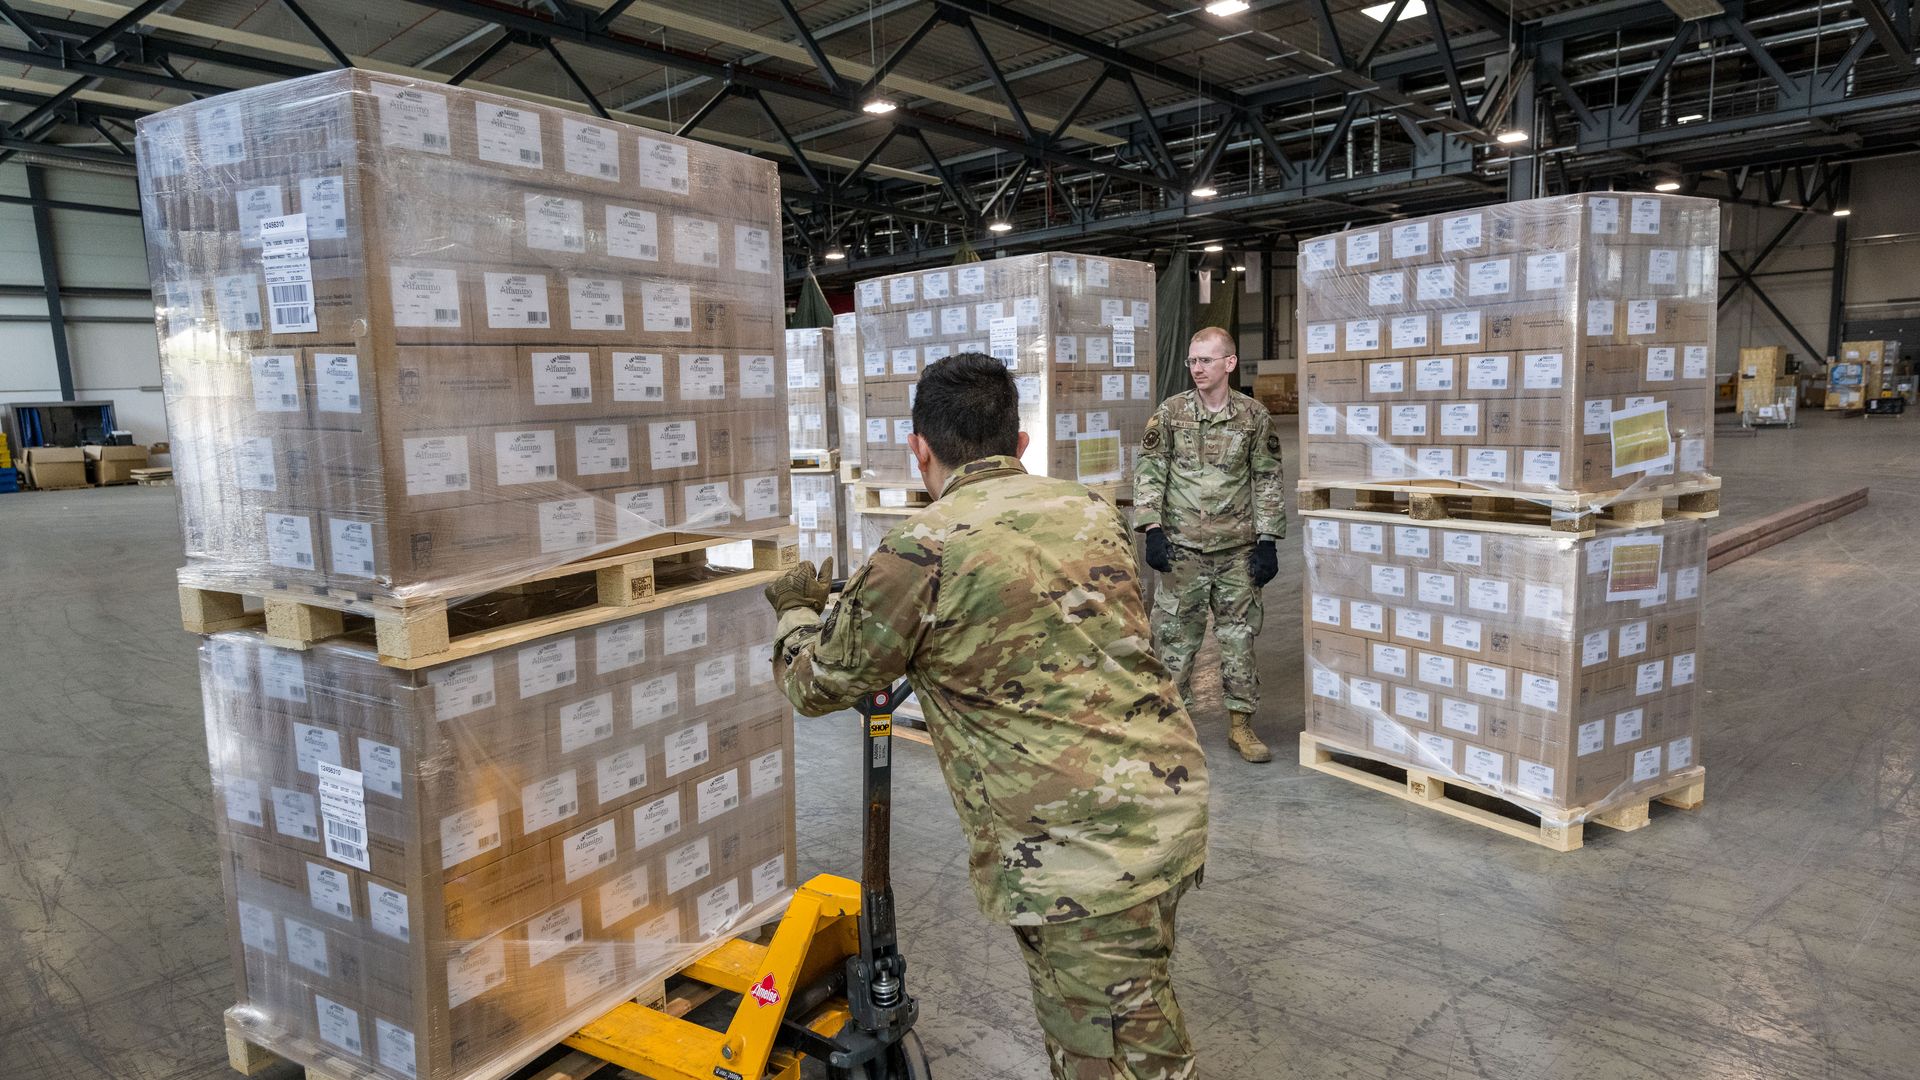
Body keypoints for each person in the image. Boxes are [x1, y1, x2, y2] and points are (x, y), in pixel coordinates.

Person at [765, 352, 1210, 1080]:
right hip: (1165, 805)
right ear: (1020, 442)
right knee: (1135, 1011)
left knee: (1116, 1056)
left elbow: (815, 684)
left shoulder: (922, 550)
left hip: (1080, 856)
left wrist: (795, 611)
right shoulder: (1092, 509)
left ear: (919, 450)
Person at [1132, 326, 1285, 764]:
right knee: (1175, 642)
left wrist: (1268, 540)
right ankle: (1171, 730)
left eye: (1206, 360)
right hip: (1182, 550)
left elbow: (1267, 478)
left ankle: (1241, 726)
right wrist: (1152, 529)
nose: (1197, 369)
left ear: (1229, 363)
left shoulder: (1254, 417)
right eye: (1192, 361)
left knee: (1239, 640)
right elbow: (1150, 471)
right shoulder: (1171, 413)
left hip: (1237, 551)